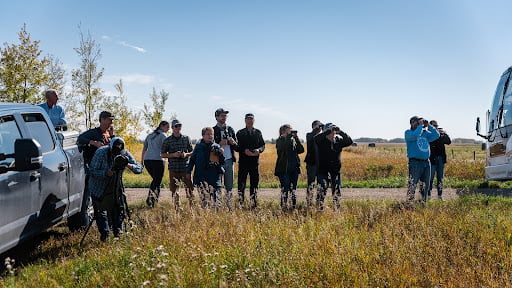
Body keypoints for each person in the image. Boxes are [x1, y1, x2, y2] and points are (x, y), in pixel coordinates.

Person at [88, 137, 143, 241]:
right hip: (98, 187)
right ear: (110, 148)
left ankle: (118, 236)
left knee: (117, 211)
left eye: (119, 152)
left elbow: (139, 169)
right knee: (101, 213)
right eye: (115, 151)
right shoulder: (101, 153)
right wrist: (105, 172)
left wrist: (128, 164)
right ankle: (105, 237)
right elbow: (92, 171)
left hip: (115, 188)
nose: (117, 154)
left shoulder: (125, 154)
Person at [77, 111, 115, 226]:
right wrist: (94, 143)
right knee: (93, 199)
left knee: (108, 200)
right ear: (102, 120)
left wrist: (112, 136)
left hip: (107, 172)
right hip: (96, 171)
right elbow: (80, 138)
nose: (111, 122)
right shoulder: (94, 132)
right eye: (109, 119)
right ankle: (88, 224)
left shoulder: (108, 133)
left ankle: (110, 225)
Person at [314, 123, 353, 210]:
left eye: (333, 129)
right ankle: (319, 210)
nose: (333, 131)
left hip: (335, 171)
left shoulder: (338, 140)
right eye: (330, 129)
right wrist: (327, 131)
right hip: (323, 170)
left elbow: (349, 141)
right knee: (321, 191)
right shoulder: (321, 141)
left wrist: (341, 132)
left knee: (337, 191)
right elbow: (316, 138)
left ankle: (337, 210)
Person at [186, 127, 225, 209]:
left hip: (214, 178)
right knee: (205, 201)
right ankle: (206, 219)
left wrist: (221, 154)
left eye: (212, 134)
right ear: (203, 136)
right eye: (208, 134)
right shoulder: (198, 147)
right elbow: (192, 160)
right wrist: (188, 171)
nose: (210, 136)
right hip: (201, 177)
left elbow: (222, 162)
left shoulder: (217, 147)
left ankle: (216, 218)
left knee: (217, 202)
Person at [405, 116, 440, 204]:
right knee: (413, 184)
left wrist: (429, 125)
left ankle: (423, 202)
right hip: (415, 162)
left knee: (425, 185)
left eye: (419, 122)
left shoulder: (425, 133)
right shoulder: (408, 133)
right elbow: (416, 136)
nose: (418, 124)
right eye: (416, 122)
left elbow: (436, 135)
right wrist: (420, 126)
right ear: (412, 123)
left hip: (426, 162)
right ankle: (409, 203)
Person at [161, 119, 195, 208]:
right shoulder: (167, 140)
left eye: (179, 126)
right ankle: (177, 209)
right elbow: (163, 154)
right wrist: (173, 155)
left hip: (185, 168)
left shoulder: (186, 138)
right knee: (175, 191)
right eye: (176, 126)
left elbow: (192, 152)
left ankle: (192, 208)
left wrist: (185, 154)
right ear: (172, 128)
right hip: (173, 169)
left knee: (190, 189)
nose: (178, 128)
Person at [236, 113, 265, 208]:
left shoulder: (258, 132)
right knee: (241, 183)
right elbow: (236, 147)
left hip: (254, 162)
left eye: (251, 119)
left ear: (254, 121)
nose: (250, 121)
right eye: (248, 119)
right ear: (245, 121)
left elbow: (262, 145)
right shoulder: (240, 133)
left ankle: (254, 203)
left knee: (254, 183)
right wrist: (244, 150)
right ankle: (240, 203)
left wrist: (259, 150)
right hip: (243, 161)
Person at [274, 124, 304, 211]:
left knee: (293, 189)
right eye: (290, 130)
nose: (291, 132)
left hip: (294, 169)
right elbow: (284, 147)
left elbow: (301, 150)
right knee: (285, 189)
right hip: (284, 169)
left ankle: (293, 208)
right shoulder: (280, 140)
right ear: (284, 131)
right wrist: (289, 137)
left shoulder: (293, 140)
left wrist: (296, 138)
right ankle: (283, 208)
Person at [213, 108, 238, 209]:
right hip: (218, 161)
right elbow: (209, 145)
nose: (224, 117)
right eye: (222, 115)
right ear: (216, 117)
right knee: (217, 185)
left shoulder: (230, 129)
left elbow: (237, 146)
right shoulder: (213, 130)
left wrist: (233, 143)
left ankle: (229, 207)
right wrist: (219, 144)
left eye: (225, 115)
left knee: (229, 186)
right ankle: (217, 207)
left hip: (229, 160)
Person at [142, 121, 170, 207]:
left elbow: (144, 149)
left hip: (147, 160)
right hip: (158, 160)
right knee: (157, 181)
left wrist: (142, 161)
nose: (168, 129)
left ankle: (153, 201)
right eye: (167, 127)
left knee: (156, 180)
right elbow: (167, 147)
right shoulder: (163, 136)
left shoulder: (149, 135)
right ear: (162, 126)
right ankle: (151, 200)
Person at [428, 120, 451, 201]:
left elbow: (448, 141)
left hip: (440, 158)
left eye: (436, 126)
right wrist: (438, 134)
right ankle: (428, 196)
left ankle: (440, 196)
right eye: (433, 126)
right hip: (432, 159)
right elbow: (433, 140)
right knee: (430, 178)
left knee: (440, 178)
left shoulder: (441, 134)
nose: (435, 127)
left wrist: (444, 133)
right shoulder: (428, 134)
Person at [304, 120, 323, 207]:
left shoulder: (323, 136)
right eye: (317, 126)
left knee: (321, 184)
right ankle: (309, 202)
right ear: (313, 127)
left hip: (321, 164)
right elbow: (311, 137)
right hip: (311, 163)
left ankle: (319, 203)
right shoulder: (309, 135)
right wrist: (316, 130)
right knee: (311, 184)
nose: (320, 128)